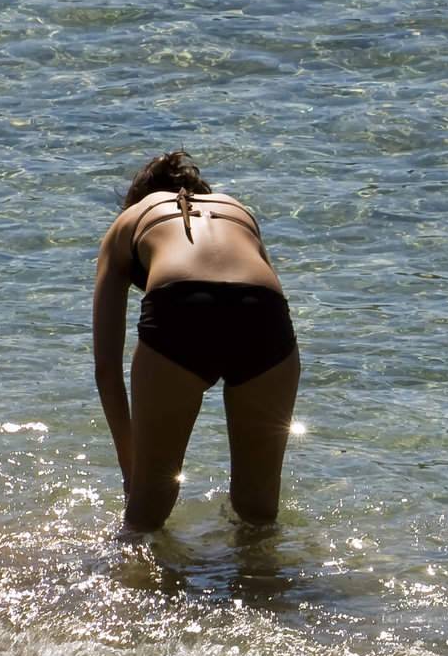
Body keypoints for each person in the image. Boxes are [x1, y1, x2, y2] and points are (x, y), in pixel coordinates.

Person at [93, 151, 300, 531]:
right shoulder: (237, 210)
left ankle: (135, 583)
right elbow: (266, 294)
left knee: (148, 511)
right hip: (264, 314)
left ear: (137, 198)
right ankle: (263, 586)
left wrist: (131, 471)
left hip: (180, 307)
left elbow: (106, 369)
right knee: (257, 508)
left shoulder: (129, 220)